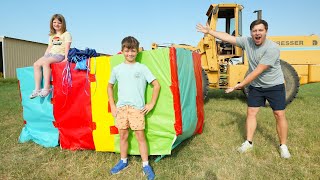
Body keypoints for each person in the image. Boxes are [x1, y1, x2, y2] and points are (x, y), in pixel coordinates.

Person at [196, 20, 291, 158]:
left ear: (266, 31)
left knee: (279, 114)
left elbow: (258, 70)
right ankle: (249, 142)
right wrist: (210, 32)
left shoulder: (273, 48)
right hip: (256, 86)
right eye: (254, 31)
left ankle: (283, 146)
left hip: (273, 86)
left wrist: (241, 84)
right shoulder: (247, 42)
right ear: (251, 33)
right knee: (251, 112)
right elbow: (228, 37)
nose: (257, 33)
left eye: (260, 30)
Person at [108, 36, 160, 179]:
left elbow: (156, 85)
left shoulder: (142, 68)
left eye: (133, 51)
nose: (130, 53)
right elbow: (109, 86)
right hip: (121, 109)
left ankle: (145, 165)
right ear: (122, 51)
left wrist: (151, 103)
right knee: (123, 135)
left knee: (140, 136)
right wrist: (112, 105)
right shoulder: (117, 69)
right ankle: (123, 161)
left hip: (137, 109)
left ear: (137, 51)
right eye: (127, 50)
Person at [30, 14, 72, 99]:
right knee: (36, 64)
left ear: (63, 23)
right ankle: (37, 89)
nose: (56, 24)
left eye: (59, 23)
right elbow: (49, 47)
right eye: (54, 22)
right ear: (52, 23)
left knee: (46, 63)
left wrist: (66, 59)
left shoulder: (66, 34)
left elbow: (67, 47)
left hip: (60, 55)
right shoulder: (52, 35)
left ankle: (47, 88)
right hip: (50, 54)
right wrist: (44, 56)